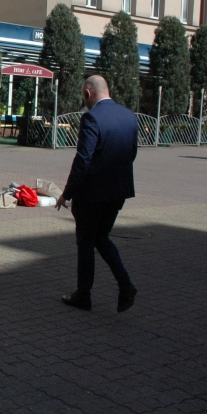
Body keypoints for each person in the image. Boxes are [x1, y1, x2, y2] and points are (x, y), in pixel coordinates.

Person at [55, 75, 139, 313]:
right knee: (101, 237)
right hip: (118, 192)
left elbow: (83, 160)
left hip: (92, 194)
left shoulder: (91, 117)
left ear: (87, 93)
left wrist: (67, 193)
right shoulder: (129, 116)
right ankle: (125, 285)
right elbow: (132, 153)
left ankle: (83, 295)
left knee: (85, 243)